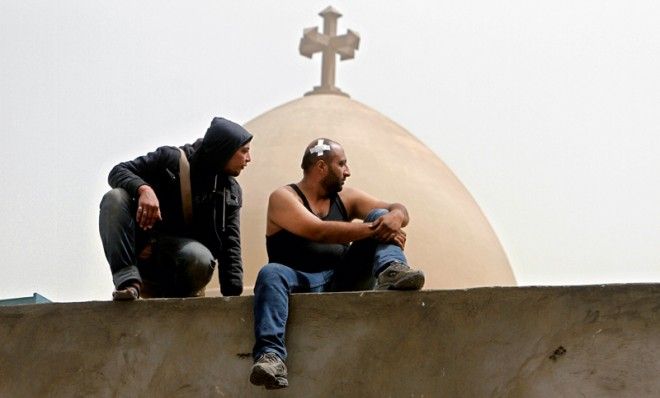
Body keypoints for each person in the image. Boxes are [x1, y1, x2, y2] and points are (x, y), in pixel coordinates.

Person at [249, 138, 425, 390]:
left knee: (379, 215)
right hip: (298, 282)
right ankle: (271, 357)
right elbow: (318, 230)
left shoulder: (346, 198)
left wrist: (394, 217)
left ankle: (392, 270)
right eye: (341, 164)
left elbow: (396, 208)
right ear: (321, 167)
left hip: (341, 279)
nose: (348, 171)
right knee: (270, 272)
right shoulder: (283, 198)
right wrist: (378, 230)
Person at [99, 117, 252, 300]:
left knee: (199, 257)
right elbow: (118, 171)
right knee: (114, 198)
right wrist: (143, 189)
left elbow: (231, 246)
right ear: (224, 150)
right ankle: (128, 284)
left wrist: (233, 296)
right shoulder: (170, 160)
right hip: (144, 257)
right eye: (244, 151)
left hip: (186, 266)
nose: (248, 159)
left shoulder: (230, 192)